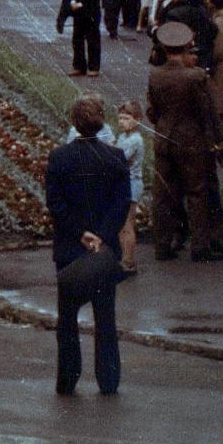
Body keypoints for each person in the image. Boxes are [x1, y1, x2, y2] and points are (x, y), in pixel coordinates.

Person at [46, 95, 131, 397]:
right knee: (105, 316)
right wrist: (102, 235)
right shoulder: (115, 157)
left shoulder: (59, 157)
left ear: (74, 122)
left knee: (67, 318)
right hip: (103, 251)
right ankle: (108, 381)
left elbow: (55, 204)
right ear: (102, 121)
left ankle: (67, 380)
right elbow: (122, 203)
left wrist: (80, 233)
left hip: (70, 248)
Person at [147, 21, 223, 261]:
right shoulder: (196, 76)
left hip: (164, 138)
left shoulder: (155, 75)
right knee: (197, 192)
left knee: (163, 194)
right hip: (191, 139)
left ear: (164, 47)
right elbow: (206, 112)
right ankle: (200, 247)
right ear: (186, 46)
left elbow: (153, 111)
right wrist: (216, 139)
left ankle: (162, 245)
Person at [112, 102, 145, 274]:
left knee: (127, 224)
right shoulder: (123, 137)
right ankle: (124, 258)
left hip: (131, 183)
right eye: (120, 118)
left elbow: (120, 159)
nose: (121, 122)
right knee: (121, 224)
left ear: (137, 120)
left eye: (126, 118)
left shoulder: (135, 140)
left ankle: (129, 261)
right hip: (122, 183)